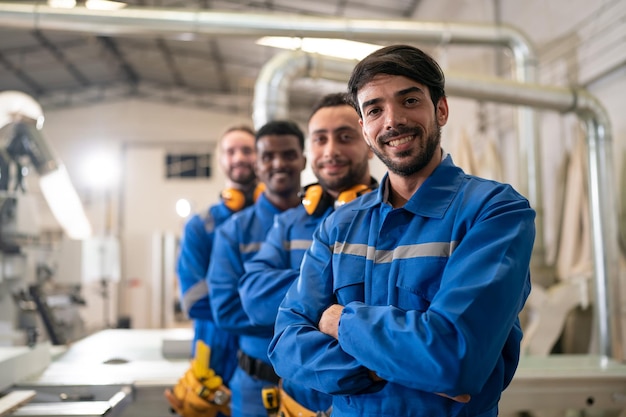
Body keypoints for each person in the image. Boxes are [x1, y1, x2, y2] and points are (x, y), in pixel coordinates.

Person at [268, 44, 536, 417]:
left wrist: (339, 320)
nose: (392, 120)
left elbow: (454, 358)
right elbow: (285, 344)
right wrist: (394, 365)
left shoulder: (494, 212)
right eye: (375, 109)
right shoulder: (340, 225)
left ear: (440, 109)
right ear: (364, 128)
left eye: (409, 100)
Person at [239, 92, 377, 416]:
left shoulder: (394, 218)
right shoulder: (288, 224)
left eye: (345, 137)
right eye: (320, 139)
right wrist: (342, 298)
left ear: (369, 141)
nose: (331, 150)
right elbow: (254, 298)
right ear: (309, 151)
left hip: (368, 404)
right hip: (297, 405)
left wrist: (301, 307)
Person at [208, 120, 307, 417]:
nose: (279, 164)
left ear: (303, 159)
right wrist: (310, 314)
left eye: (289, 155)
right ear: (258, 165)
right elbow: (225, 309)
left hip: (314, 389)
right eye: (268, 157)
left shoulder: (328, 224)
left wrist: (263, 303)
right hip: (253, 389)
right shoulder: (234, 231)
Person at [165, 125, 258, 416]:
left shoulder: (281, 219)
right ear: (221, 160)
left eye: (247, 150)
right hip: (215, 359)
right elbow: (194, 300)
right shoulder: (201, 226)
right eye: (231, 151)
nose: (239, 157)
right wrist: (264, 308)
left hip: (265, 358)